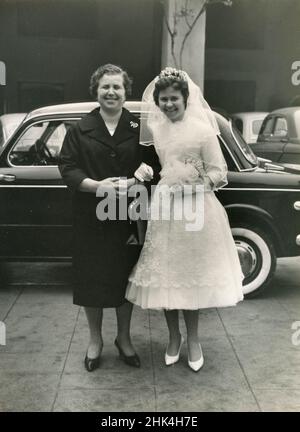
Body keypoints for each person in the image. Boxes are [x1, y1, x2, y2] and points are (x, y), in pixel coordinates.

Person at [126, 67, 244, 372]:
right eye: (163, 99)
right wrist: (147, 173)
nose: (168, 104)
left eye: (173, 98)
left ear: (185, 97)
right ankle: (173, 337)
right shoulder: (157, 128)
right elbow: (154, 162)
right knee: (167, 274)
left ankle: (193, 339)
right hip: (166, 205)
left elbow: (219, 172)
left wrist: (194, 185)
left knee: (190, 274)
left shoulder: (203, 130)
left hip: (196, 206)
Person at [58, 64, 156, 372]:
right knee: (92, 278)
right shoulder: (79, 129)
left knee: (125, 277)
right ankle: (95, 340)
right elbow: (68, 167)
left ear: (126, 92)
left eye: (117, 87)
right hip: (92, 214)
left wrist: (144, 174)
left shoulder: (139, 128)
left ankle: (124, 339)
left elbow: (154, 164)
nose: (111, 92)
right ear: (96, 91)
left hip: (129, 214)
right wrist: (96, 186)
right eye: (105, 87)